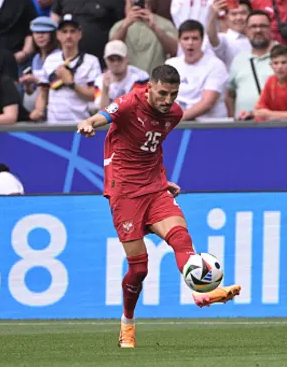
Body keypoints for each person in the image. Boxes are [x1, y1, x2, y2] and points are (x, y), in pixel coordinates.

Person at [76, 64, 241, 349]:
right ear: (149, 88)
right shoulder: (130, 103)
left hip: (154, 188)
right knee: (139, 269)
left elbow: (151, 148)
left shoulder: (174, 114)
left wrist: (163, 179)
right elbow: (104, 115)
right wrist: (88, 123)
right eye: (162, 93)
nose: (168, 100)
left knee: (181, 238)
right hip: (124, 192)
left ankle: (200, 292)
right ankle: (127, 325)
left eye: (173, 94)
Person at [165, 20, 228, 121]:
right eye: (186, 39)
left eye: (195, 38)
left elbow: (207, 103)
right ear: (179, 41)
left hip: (209, 125)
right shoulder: (170, 64)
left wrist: (177, 119)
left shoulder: (216, 65)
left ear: (202, 40)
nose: (190, 43)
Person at [238, 44, 287, 121]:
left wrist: (270, 114)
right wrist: (251, 113)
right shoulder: (270, 81)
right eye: (276, 63)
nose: (280, 67)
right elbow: (259, 111)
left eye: (283, 62)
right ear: (271, 65)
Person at [94, 40, 149, 111]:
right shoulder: (99, 80)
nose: (116, 63)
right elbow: (102, 112)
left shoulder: (141, 77)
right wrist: (105, 90)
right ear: (105, 60)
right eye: (111, 59)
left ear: (127, 58)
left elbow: (138, 106)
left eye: (119, 59)